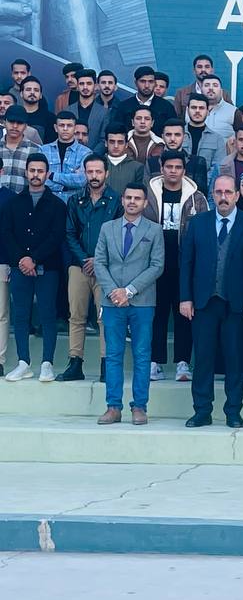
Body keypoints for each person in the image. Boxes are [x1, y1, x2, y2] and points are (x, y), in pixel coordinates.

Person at [179, 174, 243, 428]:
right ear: (213, 194)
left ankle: (233, 411)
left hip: (237, 303)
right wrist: (185, 297)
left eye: (228, 192)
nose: (223, 197)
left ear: (237, 195)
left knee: (235, 360)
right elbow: (186, 262)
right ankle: (202, 411)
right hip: (203, 303)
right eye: (219, 192)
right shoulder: (198, 223)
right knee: (204, 360)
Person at [93, 183, 165, 424]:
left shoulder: (154, 230)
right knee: (113, 355)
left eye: (138, 198)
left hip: (142, 301)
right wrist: (114, 290)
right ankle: (113, 407)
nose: (132, 201)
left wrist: (129, 291)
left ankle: (139, 406)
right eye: (128, 197)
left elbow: (157, 266)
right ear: (122, 200)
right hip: (112, 300)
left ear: (145, 203)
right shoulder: (107, 228)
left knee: (142, 354)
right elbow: (100, 262)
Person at [1, 155, 67, 381]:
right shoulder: (13, 203)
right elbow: (6, 233)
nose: (36, 174)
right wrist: (22, 259)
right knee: (21, 315)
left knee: (48, 314)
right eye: (32, 170)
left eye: (40, 170)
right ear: (26, 173)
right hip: (19, 267)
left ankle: (47, 363)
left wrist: (34, 259)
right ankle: (23, 362)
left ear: (47, 174)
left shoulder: (58, 204)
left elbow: (56, 236)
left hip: (48, 267)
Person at [144, 150, 209, 381]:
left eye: (177, 167)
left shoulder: (196, 197)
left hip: (184, 265)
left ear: (184, 170)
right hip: (154, 264)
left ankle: (183, 363)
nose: (173, 171)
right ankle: (155, 361)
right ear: (162, 168)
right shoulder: (149, 194)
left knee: (184, 315)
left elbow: (204, 232)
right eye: (169, 167)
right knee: (157, 314)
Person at [59, 154, 120, 382]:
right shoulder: (75, 200)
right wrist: (85, 259)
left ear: (106, 173)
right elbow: (70, 233)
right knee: (76, 316)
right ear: (84, 173)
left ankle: (107, 364)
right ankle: (76, 362)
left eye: (98, 172)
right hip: (79, 266)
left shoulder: (116, 200)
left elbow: (118, 234)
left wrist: (99, 260)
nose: (94, 176)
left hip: (107, 268)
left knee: (106, 317)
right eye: (90, 172)